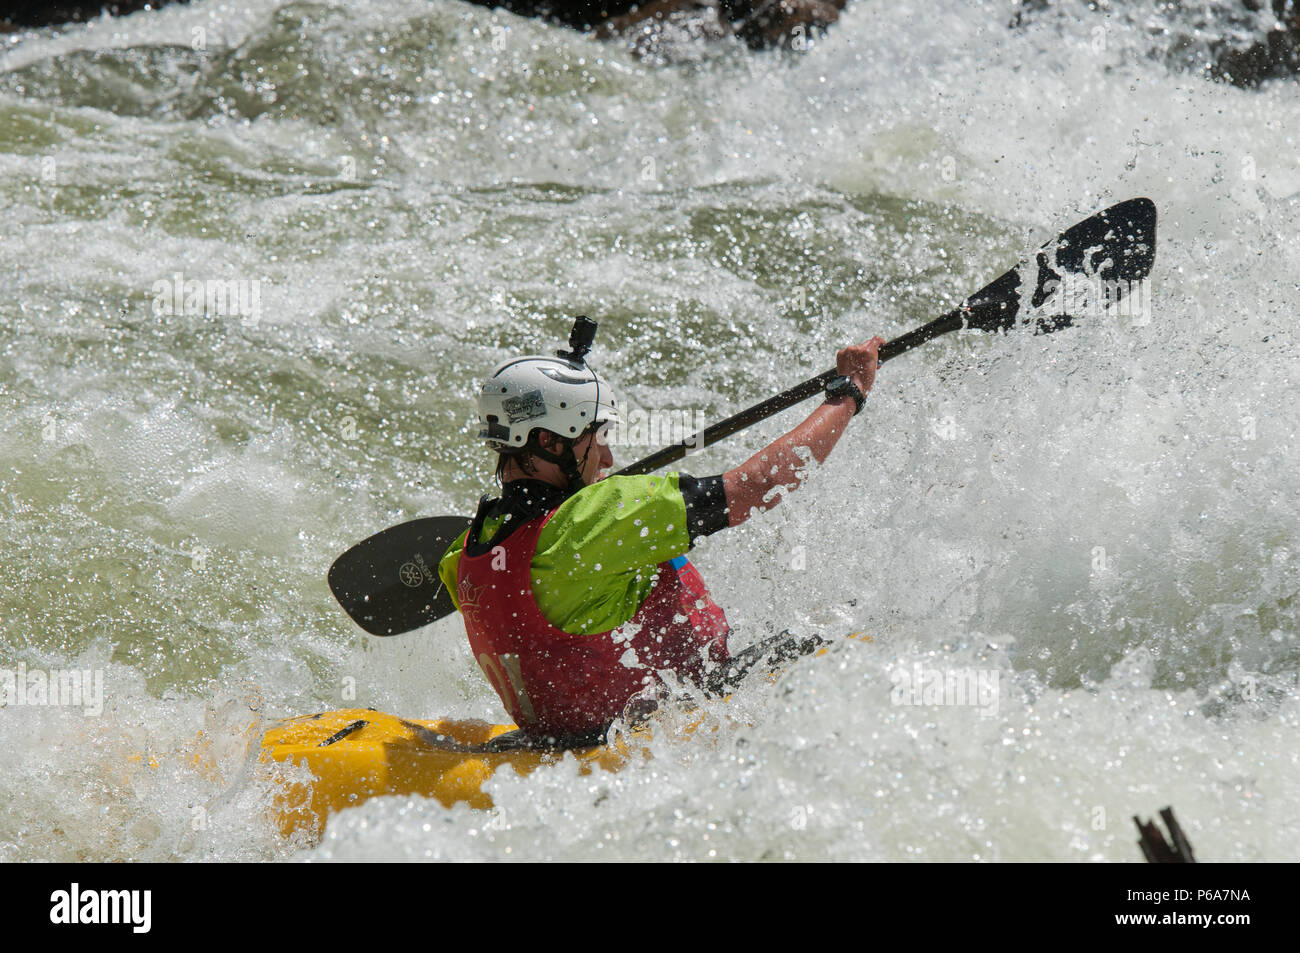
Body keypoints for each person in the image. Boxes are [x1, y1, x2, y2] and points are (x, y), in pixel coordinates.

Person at [438, 324, 884, 744]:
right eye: (596, 437)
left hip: (559, 742)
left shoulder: (464, 554)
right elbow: (756, 487)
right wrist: (848, 394)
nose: (608, 457)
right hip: (661, 726)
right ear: (551, 444)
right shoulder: (601, 518)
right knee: (855, 640)